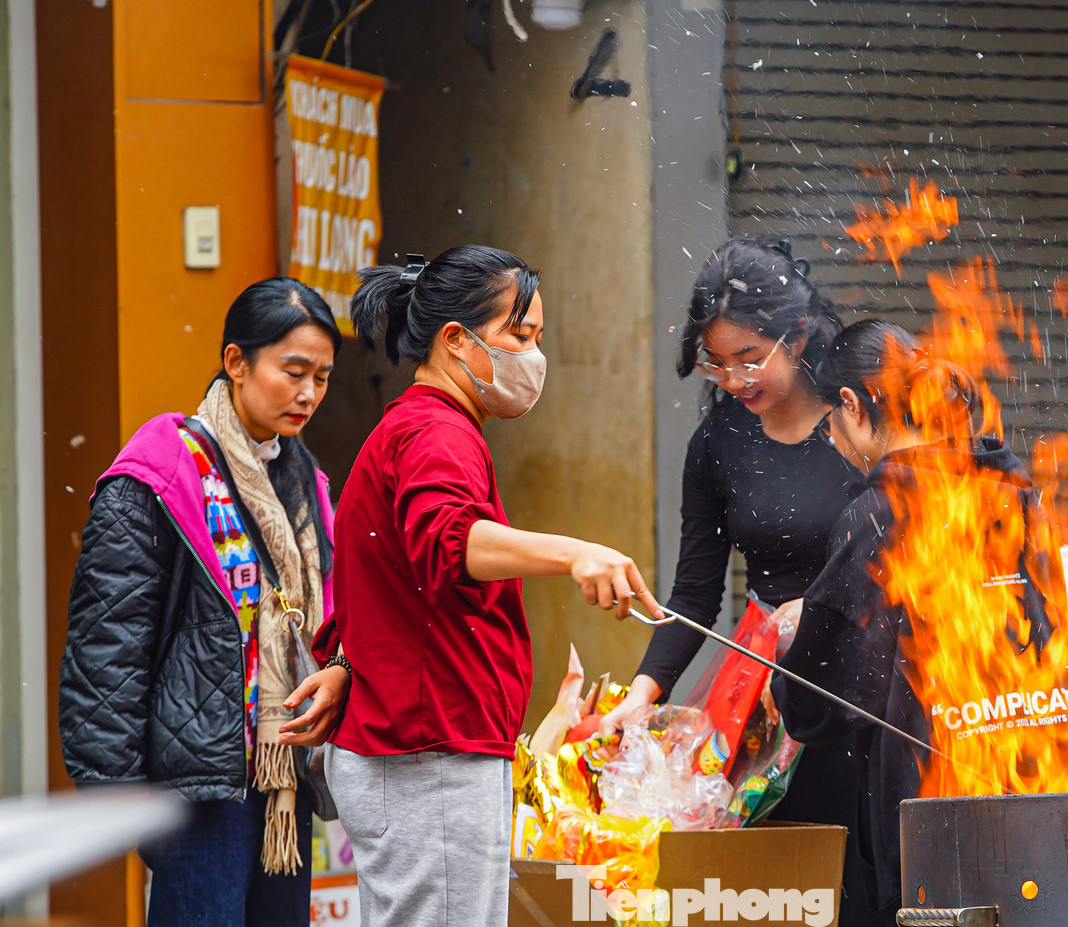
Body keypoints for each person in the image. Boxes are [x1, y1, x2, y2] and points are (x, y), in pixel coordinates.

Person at [316, 245, 664, 927]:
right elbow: (449, 542)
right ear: (456, 341)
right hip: (428, 755)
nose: (535, 357)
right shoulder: (433, 432)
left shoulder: (427, 429)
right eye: (521, 336)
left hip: (422, 751)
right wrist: (575, 553)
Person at [598, 236, 873, 920]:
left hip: (865, 687)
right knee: (779, 889)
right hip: (771, 699)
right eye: (717, 365)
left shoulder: (857, 417)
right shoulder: (719, 440)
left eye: (751, 359)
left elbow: (906, 546)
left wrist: (824, 604)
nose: (735, 380)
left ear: (799, 332)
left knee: (864, 883)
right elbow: (694, 592)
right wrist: (641, 695)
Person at [59, 278, 349, 927]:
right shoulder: (160, 476)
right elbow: (110, 642)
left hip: (282, 780)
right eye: (293, 370)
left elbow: (325, 621)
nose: (308, 393)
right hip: (194, 789)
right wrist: (116, 793)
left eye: (323, 377)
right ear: (237, 362)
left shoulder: (303, 480)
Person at [773, 319, 1068, 924]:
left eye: (829, 423)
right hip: (1053, 804)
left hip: (937, 833)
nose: (833, 439)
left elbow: (819, 703)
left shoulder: (878, 516)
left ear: (852, 406)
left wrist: (788, 650)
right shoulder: (1015, 495)